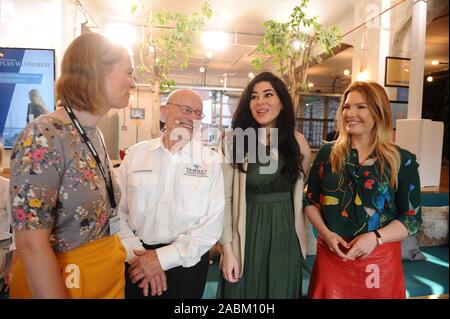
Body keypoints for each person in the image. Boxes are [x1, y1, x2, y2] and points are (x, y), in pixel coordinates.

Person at [9, 32, 135, 298]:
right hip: (65, 282)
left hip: (103, 277)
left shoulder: (93, 133)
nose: (133, 83)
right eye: (129, 72)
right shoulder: (43, 136)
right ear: (98, 71)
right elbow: (31, 245)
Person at [304, 81, 422, 299]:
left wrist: (376, 237)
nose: (350, 113)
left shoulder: (401, 160)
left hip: (380, 261)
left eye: (361, 107)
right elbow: (310, 202)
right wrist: (327, 234)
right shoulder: (327, 153)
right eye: (347, 107)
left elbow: (412, 219)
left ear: (378, 112)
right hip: (332, 257)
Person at [118, 89, 225, 299]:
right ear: (164, 112)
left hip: (187, 266)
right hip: (136, 262)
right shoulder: (135, 156)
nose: (191, 118)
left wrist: (160, 259)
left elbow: (211, 225)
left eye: (198, 113)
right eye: (186, 110)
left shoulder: (210, 162)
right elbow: (117, 213)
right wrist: (137, 257)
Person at [216, 71, 311, 299]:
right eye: (254, 96)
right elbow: (224, 200)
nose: (260, 102)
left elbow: (301, 192)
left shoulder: (297, 142)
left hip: (285, 237)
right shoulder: (234, 140)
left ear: (282, 102)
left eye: (268, 94)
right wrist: (227, 250)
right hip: (246, 233)